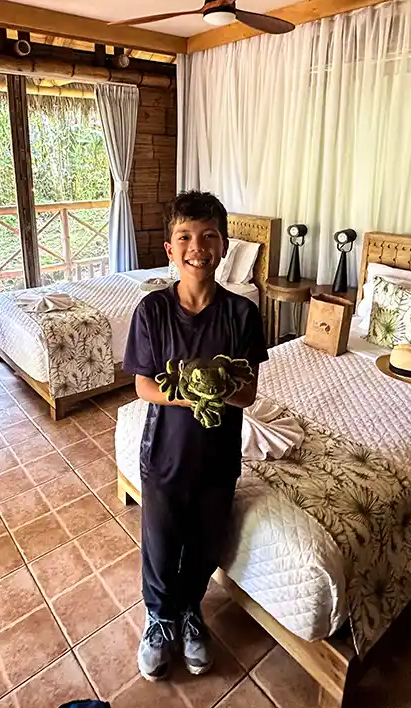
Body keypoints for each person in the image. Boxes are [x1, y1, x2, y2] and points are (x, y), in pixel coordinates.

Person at [123, 191, 269, 680]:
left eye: (209, 236)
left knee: (206, 542)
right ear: (170, 249)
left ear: (223, 246)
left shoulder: (242, 314)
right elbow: (144, 385)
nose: (197, 247)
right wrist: (189, 395)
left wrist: (218, 388)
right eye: (185, 237)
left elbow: (247, 394)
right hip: (164, 454)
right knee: (161, 542)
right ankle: (159, 616)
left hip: (218, 457)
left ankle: (189, 610)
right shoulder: (152, 311)